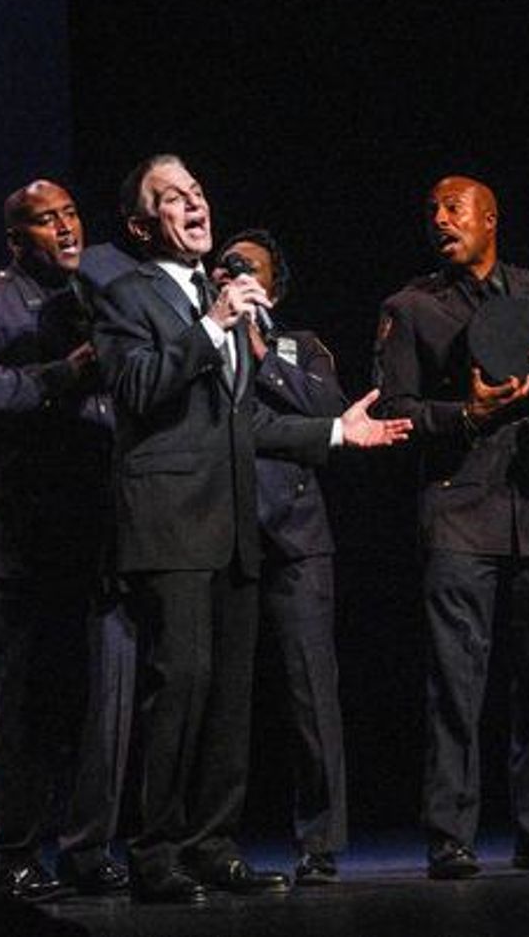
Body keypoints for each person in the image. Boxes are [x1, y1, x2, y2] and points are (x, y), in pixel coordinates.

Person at [93, 153, 411, 903]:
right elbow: (138, 386)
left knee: (229, 694)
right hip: (169, 523)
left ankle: (212, 844)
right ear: (143, 225)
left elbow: (248, 419)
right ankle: (156, 849)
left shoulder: (220, 295)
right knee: (180, 686)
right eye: (172, 199)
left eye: (198, 192)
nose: (195, 206)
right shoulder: (125, 295)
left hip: (234, 519)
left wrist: (334, 432)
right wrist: (211, 324)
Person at [371, 174, 529, 879]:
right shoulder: (412, 307)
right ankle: (449, 834)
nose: (440, 219)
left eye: (454, 208)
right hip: (459, 511)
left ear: (491, 218)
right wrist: (465, 414)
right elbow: (390, 414)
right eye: (432, 209)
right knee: (456, 681)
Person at [0, 179, 133, 900]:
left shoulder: (106, 297)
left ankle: (90, 848)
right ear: (15, 238)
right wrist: (63, 373)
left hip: (100, 527)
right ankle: (17, 849)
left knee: (102, 702)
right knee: (23, 704)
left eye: (69, 215)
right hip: (18, 536)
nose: (62, 228)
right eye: (42, 220)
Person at [213, 228, 349, 885]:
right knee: (216, 700)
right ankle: (209, 842)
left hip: (295, 537)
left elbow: (329, 416)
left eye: (249, 268)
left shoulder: (302, 345)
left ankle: (320, 842)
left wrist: (263, 348)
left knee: (309, 696)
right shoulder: (201, 336)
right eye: (226, 266)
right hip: (220, 536)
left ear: (274, 285)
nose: (235, 275)